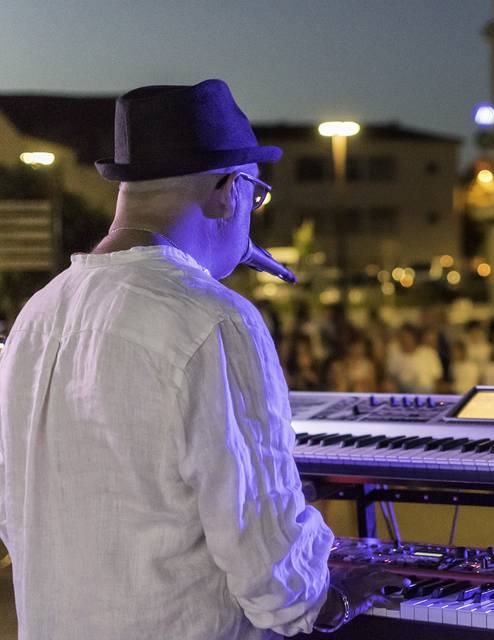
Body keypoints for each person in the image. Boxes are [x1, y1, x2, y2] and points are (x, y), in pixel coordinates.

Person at [0, 80, 402, 639]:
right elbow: (268, 563)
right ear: (228, 190)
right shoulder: (215, 320)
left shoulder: (37, 315)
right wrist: (329, 596)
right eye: (255, 196)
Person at [386, 324, 443, 394]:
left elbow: (437, 378)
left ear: (414, 337)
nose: (405, 340)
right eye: (402, 337)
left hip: (426, 392)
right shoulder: (395, 356)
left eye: (407, 337)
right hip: (404, 392)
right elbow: (391, 378)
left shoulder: (429, 353)